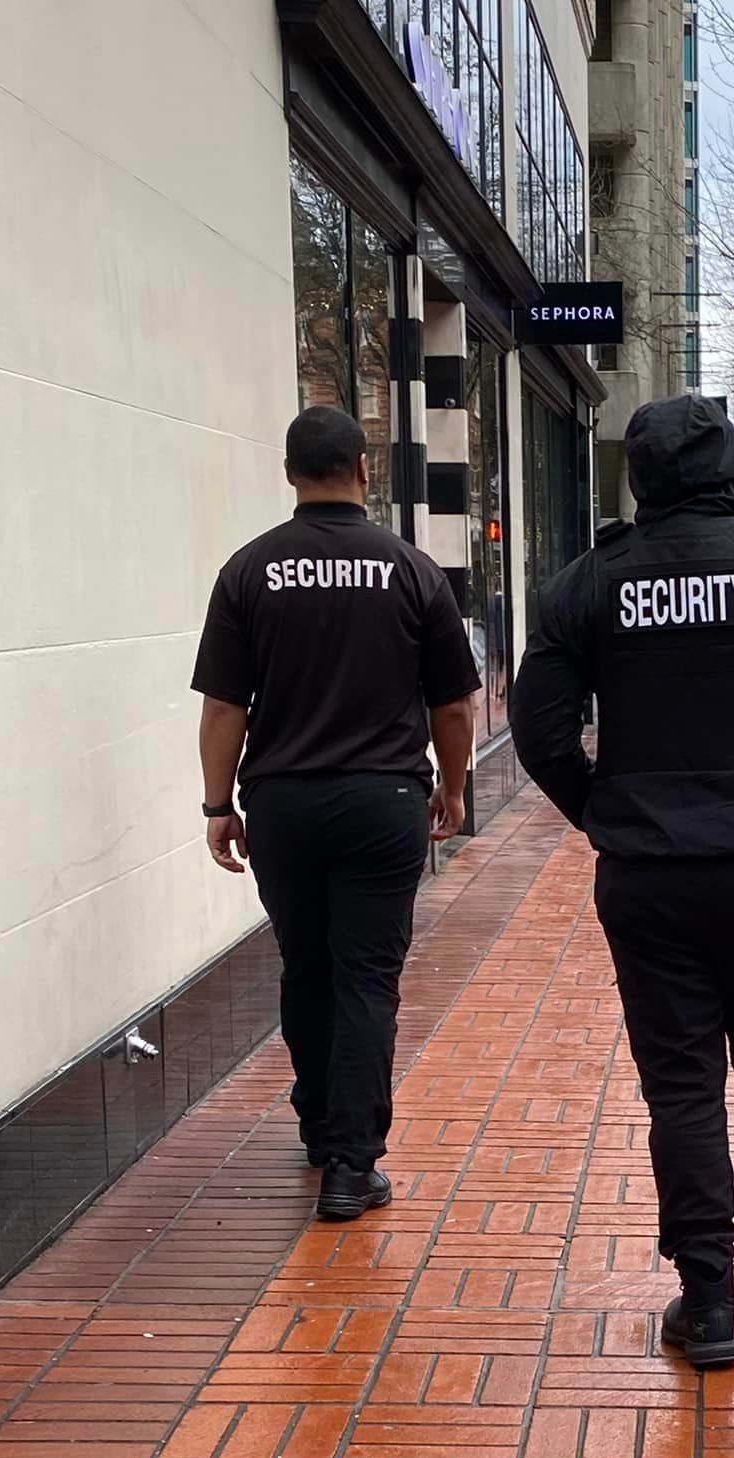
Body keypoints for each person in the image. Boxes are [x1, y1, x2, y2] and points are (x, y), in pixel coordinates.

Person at [510, 394, 734, 1368]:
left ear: (639, 476)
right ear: (731, 470)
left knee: (681, 1085)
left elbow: (539, 729)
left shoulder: (590, 583)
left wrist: (601, 811)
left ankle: (706, 1297)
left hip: (651, 877)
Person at [193, 405, 479, 1222]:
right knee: (367, 978)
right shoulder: (412, 570)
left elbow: (223, 708)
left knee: (305, 968)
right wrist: (453, 788)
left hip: (281, 803)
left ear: (289, 474)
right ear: (364, 469)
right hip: (383, 802)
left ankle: (319, 1125)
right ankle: (352, 1167)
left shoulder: (248, 572)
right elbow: (453, 705)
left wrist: (219, 804)